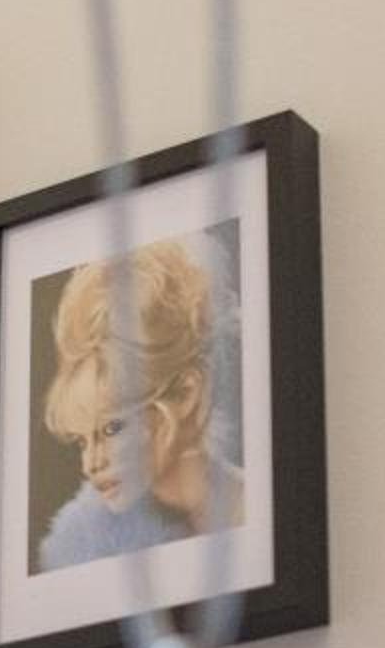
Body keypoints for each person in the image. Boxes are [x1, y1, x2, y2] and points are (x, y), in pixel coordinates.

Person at [37, 238, 242, 572]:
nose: (91, 464)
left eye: (112, 428)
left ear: (187, 393)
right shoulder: (83, 547)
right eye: (82, 442)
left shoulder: (258, 509)